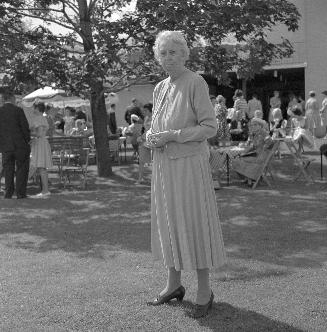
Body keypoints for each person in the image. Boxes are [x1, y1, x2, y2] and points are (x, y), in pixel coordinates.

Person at [145, 30, 226, 318]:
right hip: (164, 167)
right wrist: (152, 137)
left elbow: (209, 127)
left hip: (190, 166)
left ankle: (204, 290)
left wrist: (173, 135)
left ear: (184, 54)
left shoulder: (195, 82)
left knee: (194, 222)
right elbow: (157, 126)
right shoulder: (159, 87)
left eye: (173, 52)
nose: (167, 58)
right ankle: (173, 285)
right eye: (163, 53)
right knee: (168, 223)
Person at [0, 90, 31, 199]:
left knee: (8, 169)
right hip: (20, 144)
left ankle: (8, 192)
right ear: (12, 99)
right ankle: (20, 193)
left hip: (6, 146)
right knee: (22, 168)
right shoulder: (18, 111)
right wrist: (27, 140)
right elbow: (25, 128)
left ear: (3, 99)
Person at [232, 117, 272, 186]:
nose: (253, 126)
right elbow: (251, 145)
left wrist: (264, 147)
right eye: (252, 125)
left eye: (255, 125)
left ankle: (250, 179)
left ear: (260, 125)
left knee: (240, 160)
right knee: (236, 159)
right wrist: (243, 151)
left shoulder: (263, 133)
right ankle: (249, 178)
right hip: (255, 154)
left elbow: (270, 141)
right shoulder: (253, 134)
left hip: (261, 156)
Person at [29, 102, 53, 198]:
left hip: (40, 143)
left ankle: (45, 191)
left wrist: (28, 133)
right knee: (42, 168)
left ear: (37, 109)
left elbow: (39, 134)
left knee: (41, 168)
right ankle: (45, 190)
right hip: (42, 143)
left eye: (33, 108)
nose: (32, 110)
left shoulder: (38, 118)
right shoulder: (43, 118)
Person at [136, 103, 153, 184]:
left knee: (154, 161)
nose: (144, 112)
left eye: (145, 110)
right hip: (144, 141)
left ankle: (156, 179)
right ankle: (140, 179)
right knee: (141, 160)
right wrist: (141, 136)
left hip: (153, 141)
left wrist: (143, 137)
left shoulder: (155, 118)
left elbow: (152, 131)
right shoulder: (146, 118)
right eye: (144, 110)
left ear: (151, 109)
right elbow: (145, 130)